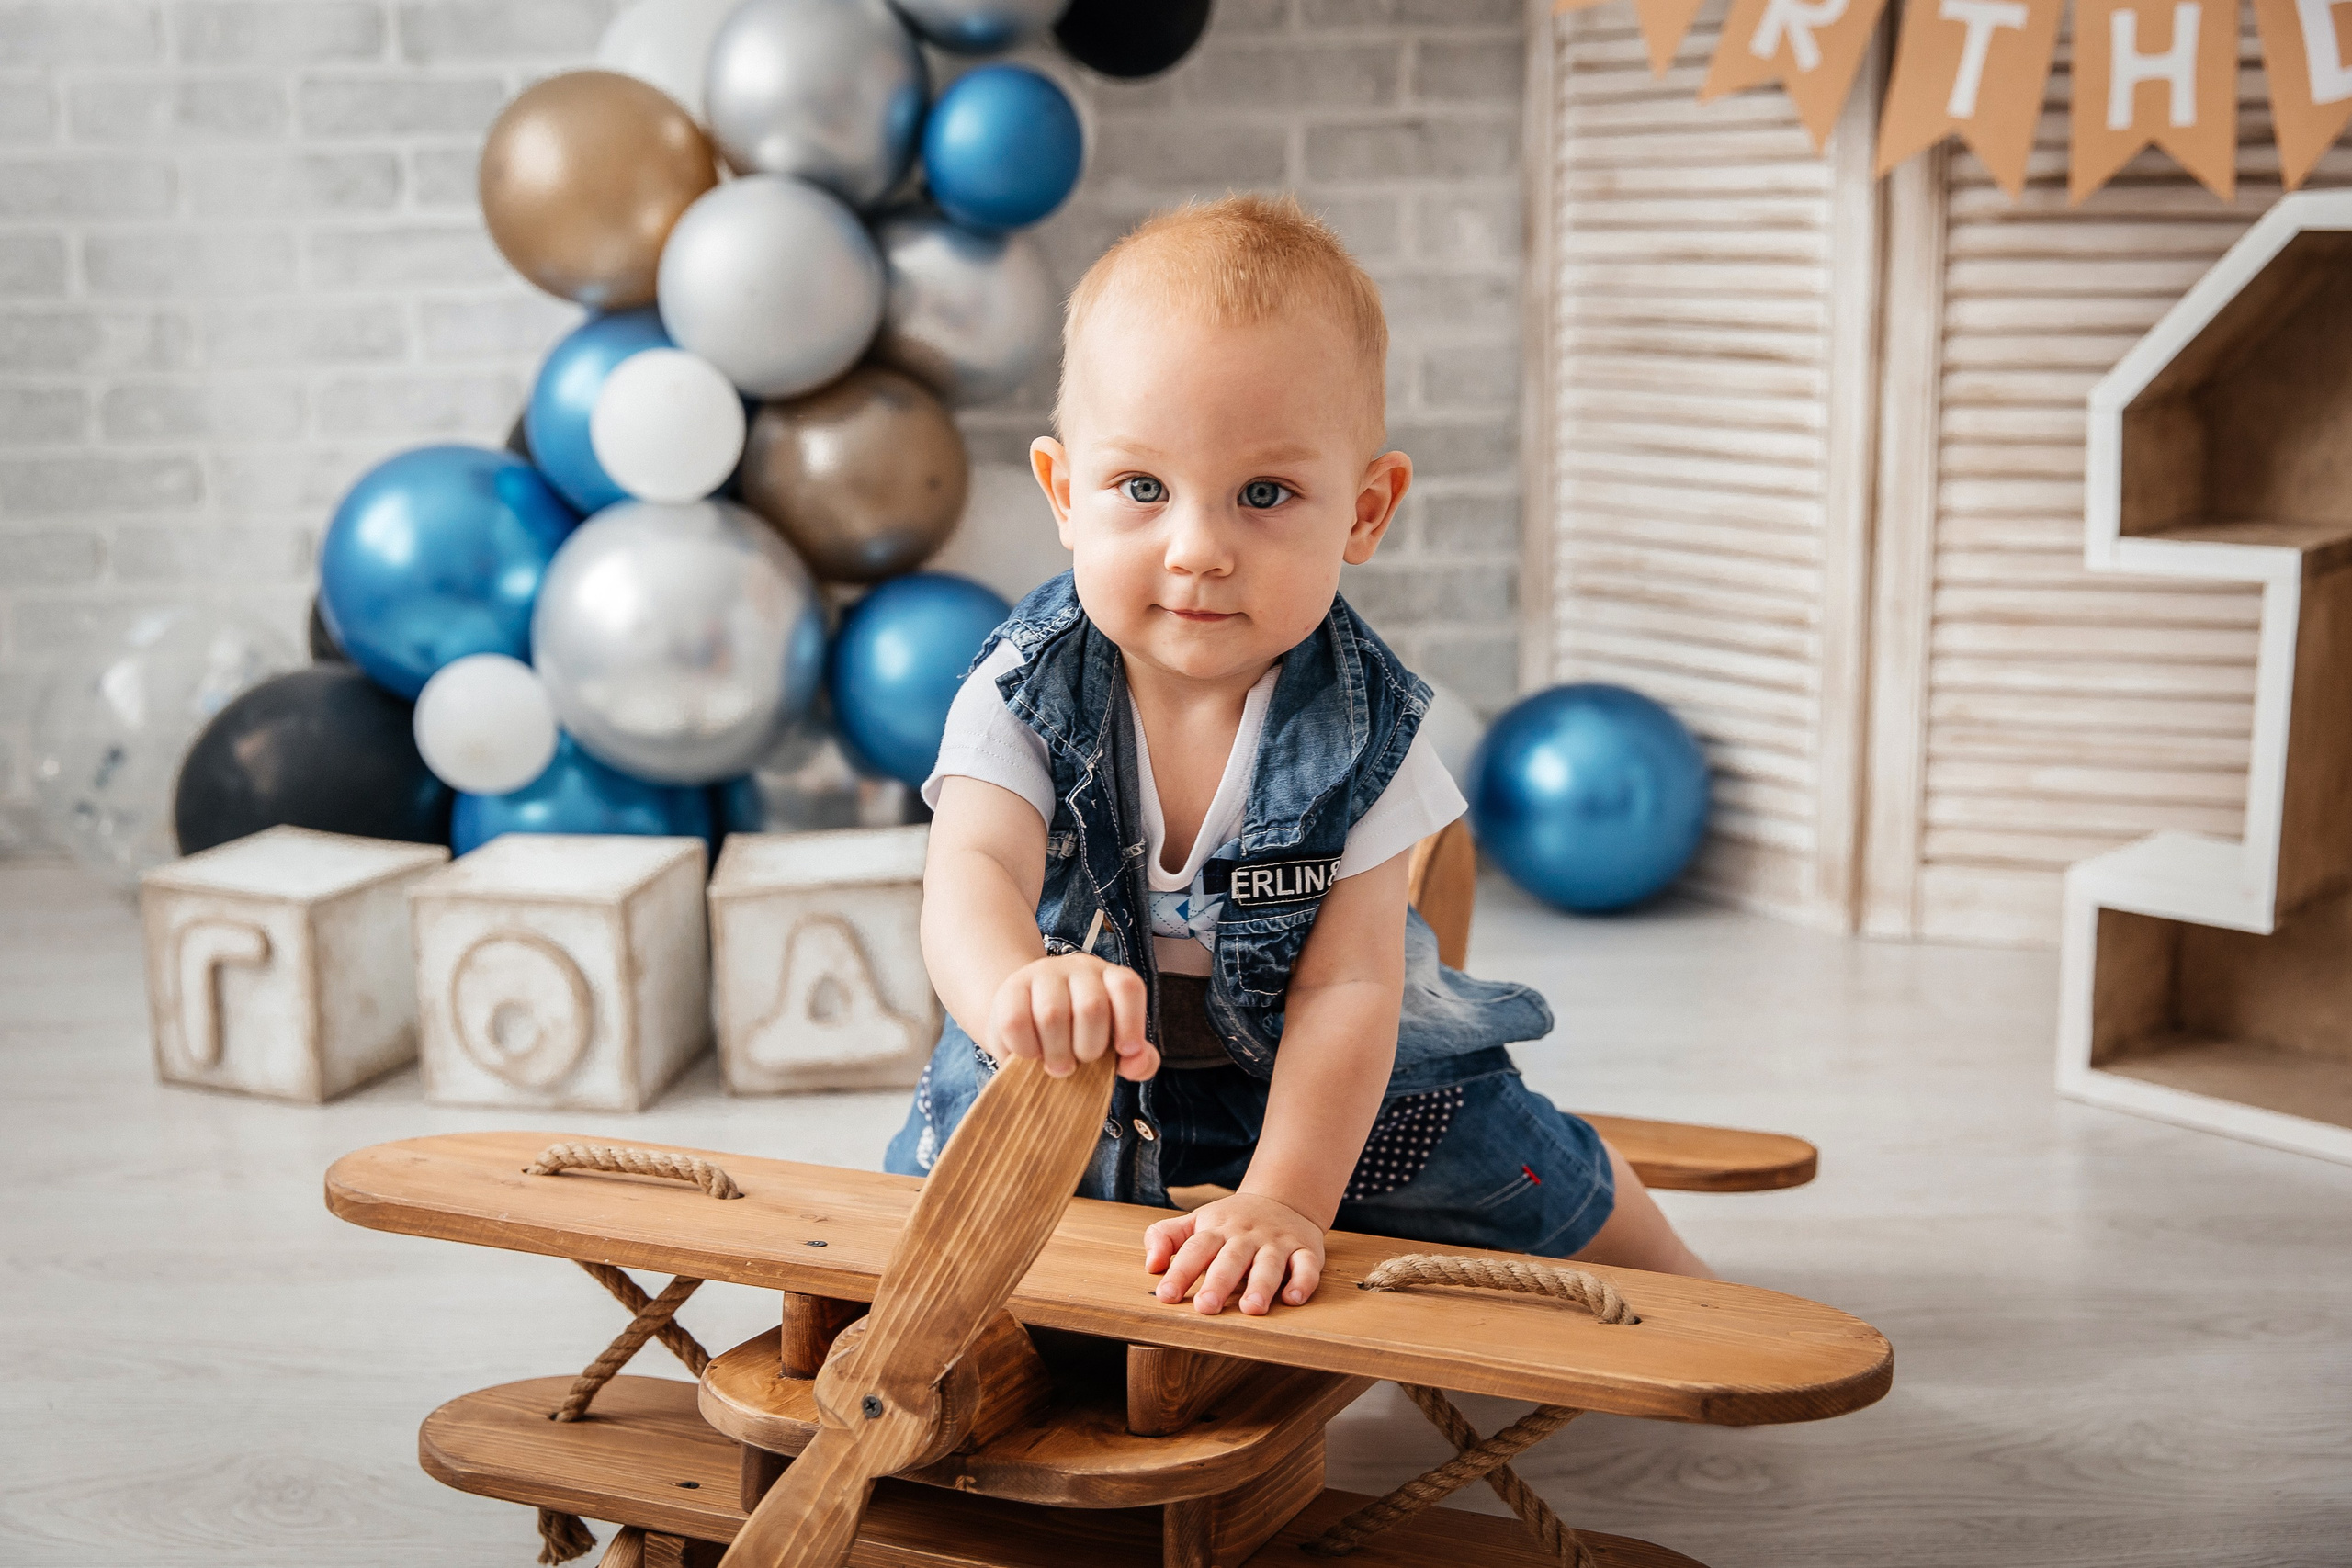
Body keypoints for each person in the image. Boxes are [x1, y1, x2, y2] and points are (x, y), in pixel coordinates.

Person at [883, 193, 1709, 1316]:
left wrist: (1285, 1200)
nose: (1199, 550)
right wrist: (1012, 991)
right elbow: (970, 875)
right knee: (936, 1200)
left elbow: (1350, 987)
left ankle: (1671, 1271)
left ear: (1364, 512)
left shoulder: (1370, 733)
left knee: (1496, 1155)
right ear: (1065, 496)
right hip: (1073, 1062)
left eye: (1263, 495)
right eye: (1141, 489)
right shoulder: (1023, 687)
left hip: (1316, 1072)